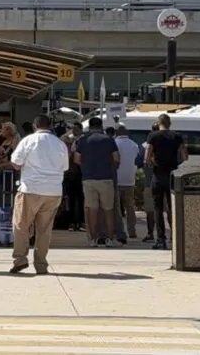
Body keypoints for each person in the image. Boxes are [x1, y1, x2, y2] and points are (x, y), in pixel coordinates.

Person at [8, 114, 69, 275]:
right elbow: (65, 168)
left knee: (21, 225)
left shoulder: (28, 141)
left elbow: (15, 163)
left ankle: (20, 259)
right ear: (50, 126)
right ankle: (41, 264)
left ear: (35, 126)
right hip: (54, 191)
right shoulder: (60, 144)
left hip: (31, 189)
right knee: (45, 230)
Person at [73, 117, 119, 247]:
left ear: (89, 127)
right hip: (106, 178)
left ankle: (93, 239)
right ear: (101, 126)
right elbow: (116, 158)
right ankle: (110, 238)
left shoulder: (82, 141)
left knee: (92, 210)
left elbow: (76, 159)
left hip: (88, 179)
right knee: (108, 210)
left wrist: (86, 166)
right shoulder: (109, 140)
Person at [144, 114, 187, 250]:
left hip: (158, 175)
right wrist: (177, 162)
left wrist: (152, 163)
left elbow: (147, 157)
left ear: (159, 122)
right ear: (170, 123)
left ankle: (160, 239)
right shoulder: (177, 136)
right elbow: (185, 156)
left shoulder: (153, 136)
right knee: (172, 207)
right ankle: (175, 236)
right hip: (172, 175)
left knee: (158, 208)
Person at [113, 124, 141, 242]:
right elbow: (137, 161)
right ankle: (132, 231)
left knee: (117, 208)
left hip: (117, 179)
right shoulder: (134, 145)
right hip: (130, 180)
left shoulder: (114, 143)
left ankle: (118, 231)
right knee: (130, 207)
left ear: (117, 133)